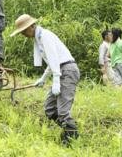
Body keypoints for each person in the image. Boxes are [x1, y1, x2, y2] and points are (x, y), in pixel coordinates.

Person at [10, 14, 80, 146]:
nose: (23, 34)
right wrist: (43, 78)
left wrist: (56, 80)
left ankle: (70, 139)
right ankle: (70, 130)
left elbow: (54, 59)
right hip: (61, 70)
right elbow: (51, 62)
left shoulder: (45, 36)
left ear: (31, 26)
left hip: (67, 71)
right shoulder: (39, 38)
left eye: (24, 31)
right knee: (50, 108)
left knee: (63, 111)